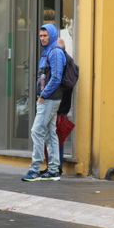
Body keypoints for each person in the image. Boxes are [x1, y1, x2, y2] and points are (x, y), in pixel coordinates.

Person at [22, 23, 65, 182]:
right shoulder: (48, 52)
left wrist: (43, 95)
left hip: (49, 99)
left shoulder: (54, 53)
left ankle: (35, 169)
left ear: (52, 36)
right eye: (40, 36)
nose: (42, 38)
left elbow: (56, 77)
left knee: (37, 131)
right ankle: (53, 169)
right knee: (49, 133)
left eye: (45, 36)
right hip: (48, 98)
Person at [43, 38, 75, 175]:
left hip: (57, 102)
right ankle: (55, 165)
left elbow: (57, 81)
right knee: (55, 135)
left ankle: (55, 166)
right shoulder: (69, 61)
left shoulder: (61, 60)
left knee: (53, 135)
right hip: (62, 103)